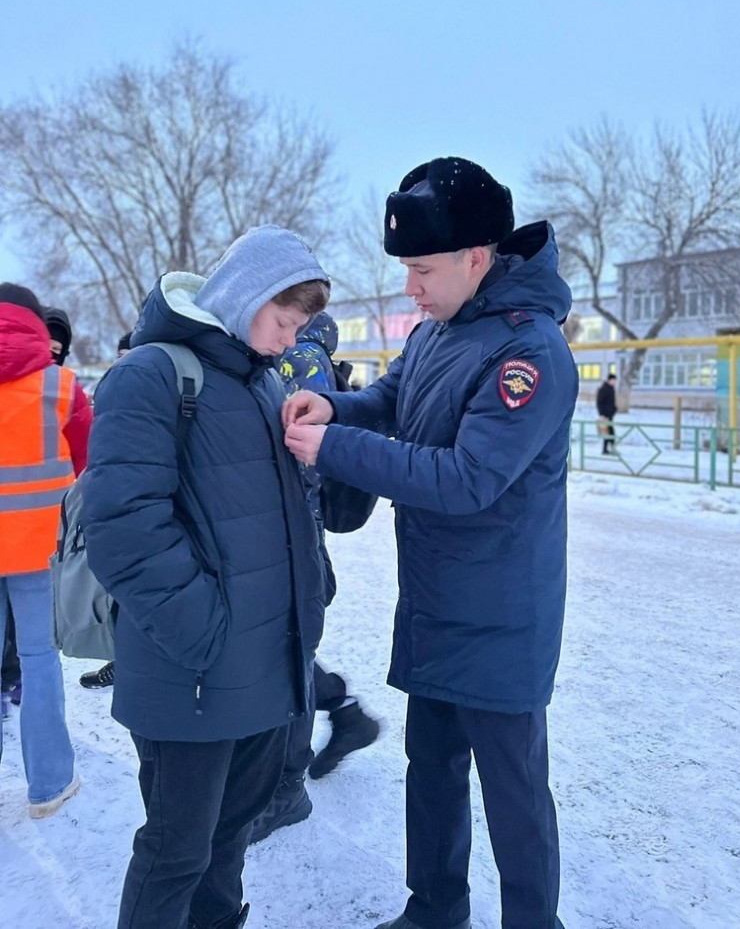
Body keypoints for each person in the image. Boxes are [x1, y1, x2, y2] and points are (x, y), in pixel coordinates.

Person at [283, 157, 577, 929]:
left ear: (477, 258)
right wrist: (337, 408)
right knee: (433, 770)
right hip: (437, 601)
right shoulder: (439, 328)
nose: (410, 286)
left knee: (513, 791)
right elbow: (396, 396)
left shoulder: (530, 352)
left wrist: (332, 450)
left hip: (502, 615)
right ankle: (434, 910)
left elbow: (468, 477)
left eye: (421, 268)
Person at [82, 226, 330, 929]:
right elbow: (123, 527)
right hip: (192, 673)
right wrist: (205, 635)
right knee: (176, 852)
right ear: (247, 295)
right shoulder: (152, 374)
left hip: (260, 673)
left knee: (227, 843)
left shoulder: (257, 382)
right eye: (285, 321)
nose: (289, 341)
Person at [249, 312, 380, 842]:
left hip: (290, 530)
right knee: (284, 650)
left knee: (288, 654)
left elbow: (294, 452)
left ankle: (286, 791)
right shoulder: (308, 357)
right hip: (293, 529)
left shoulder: (300, 359)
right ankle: (344, 712)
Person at [0, 283, 90, 817]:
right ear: (36, 325)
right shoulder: (61, 386)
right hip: (40, 550)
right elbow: (88, 465)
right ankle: (49, 786)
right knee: (38, 662)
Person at [78, 329, 135, 692]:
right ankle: (120, 659)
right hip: (117, 508)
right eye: (120, 355)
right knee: (117, 595)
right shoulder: (112, 392)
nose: (124, 362)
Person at [596, 371, 618, 454]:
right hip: (605, 415)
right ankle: (608, 449)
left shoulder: (611, 389)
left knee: (609, 432)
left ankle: (607, 449)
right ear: (609, 380)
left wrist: (614, 409)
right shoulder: (603, 389)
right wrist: (601, 414)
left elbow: (611, 402)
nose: (615, 383)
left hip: (610, 414)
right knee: (609, 432)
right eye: (614, 381)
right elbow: (599, 402)